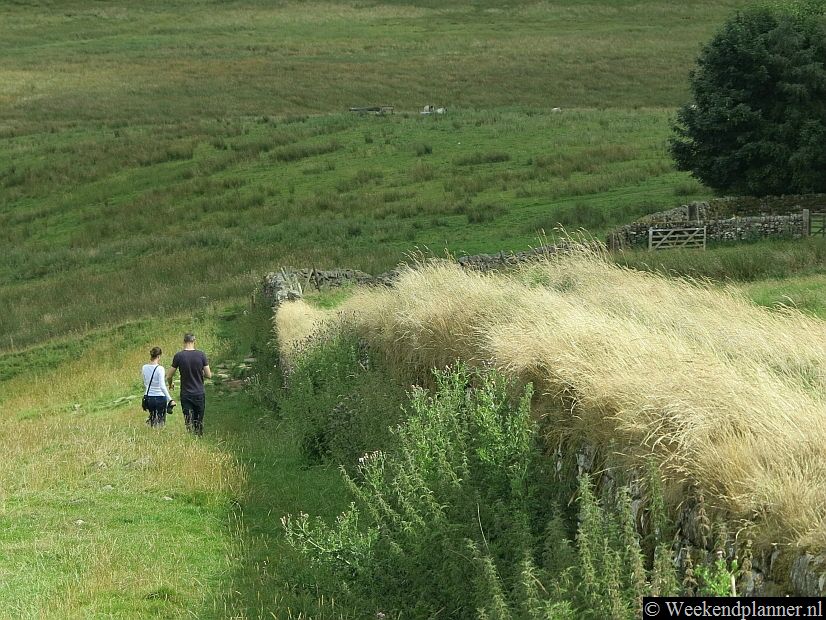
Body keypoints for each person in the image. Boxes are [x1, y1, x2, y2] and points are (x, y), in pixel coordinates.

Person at [166, 333, 212, 436]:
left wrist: (170, 384)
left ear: (184, 341)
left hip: (186, 393)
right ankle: (199, 438)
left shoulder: (179, 356)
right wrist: (200, 373)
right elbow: (209, 375)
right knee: (198, 421)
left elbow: (169, 375)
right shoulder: (201, 355)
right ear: (194, 341)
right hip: (199, 392)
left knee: (188, 421)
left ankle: (191, 440)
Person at [142, 346, 175, 428]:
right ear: (159, 356)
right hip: (160, 397)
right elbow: (162, 386)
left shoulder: (144, 367)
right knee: (160, 421)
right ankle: (158, 435)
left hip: (149, 397)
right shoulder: (160, 369)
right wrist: (170, 399)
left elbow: (146, 383)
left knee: (152, 418)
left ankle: (151, 433)